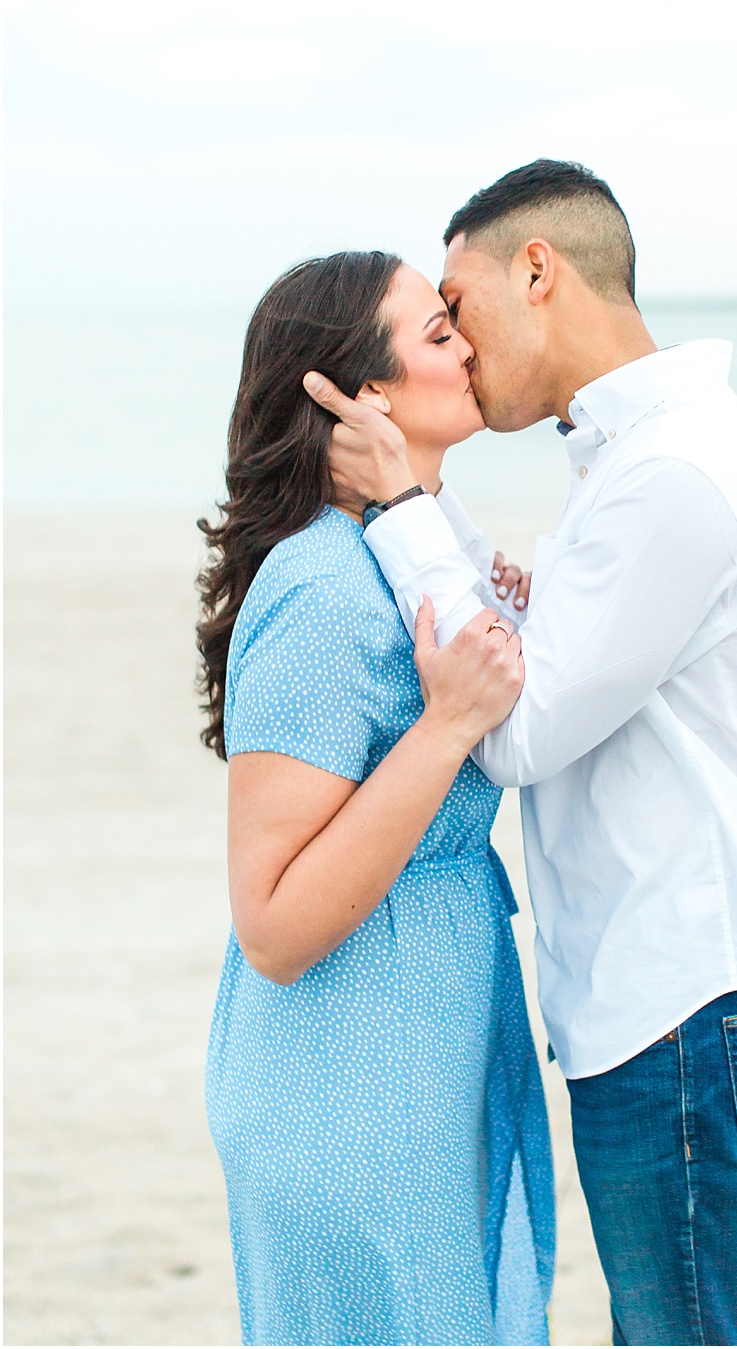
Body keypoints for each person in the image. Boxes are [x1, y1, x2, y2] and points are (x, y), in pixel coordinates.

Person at [305, 161, 737, 1346]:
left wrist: (401, 509)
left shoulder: (677, 468)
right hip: (670, 994)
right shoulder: (637, 455)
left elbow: (524, 729)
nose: (455, 342)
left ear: (536, 270)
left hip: (689, 992)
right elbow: (578, 665)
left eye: (460, 305)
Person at [196, 251, 556, 1344]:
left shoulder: (407, 556)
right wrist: (448, 726)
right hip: (348, 1068)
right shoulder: (317, 586)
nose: (468, 340)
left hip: (427, 1025)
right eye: (437, 333)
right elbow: (271, 922)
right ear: (365, 396)